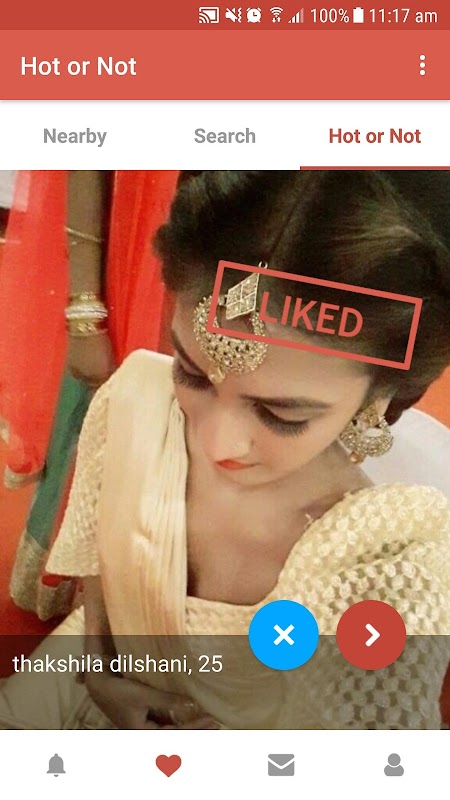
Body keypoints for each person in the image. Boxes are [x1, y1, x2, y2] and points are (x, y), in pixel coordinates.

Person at [0, 169, 450, 730]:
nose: (217, 442)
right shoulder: (136, 398)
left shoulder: (387, 551)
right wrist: (99, 670)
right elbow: (101, 562)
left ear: (382, 396)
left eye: (281, 414)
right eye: (192, 373)